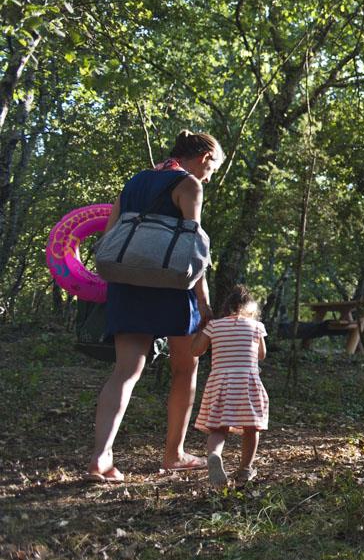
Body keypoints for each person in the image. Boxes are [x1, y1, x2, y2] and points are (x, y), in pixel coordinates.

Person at [88, 130, 224, 483]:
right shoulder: (190, 185)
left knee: (125, 371)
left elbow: (110, 235)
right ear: (204, 158)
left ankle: (101, 457)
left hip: (128, 284)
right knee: (185, 368)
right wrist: (204, 302)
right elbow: (194, 250)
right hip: (171, 285)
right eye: (212, 169)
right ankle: (174, 454)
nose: (209, 177)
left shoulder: (134, 182)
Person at [191, 285, 269, 487]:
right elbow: (261, 355)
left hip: (221, 383)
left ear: (226, 308)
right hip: (247, 384)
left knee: (218, 428)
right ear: (252, 310)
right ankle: (245, 469)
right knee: (252, 428)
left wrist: (201, 328)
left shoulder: (214, 326)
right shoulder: (256, 327)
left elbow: (196, 350)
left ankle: (214, 455)